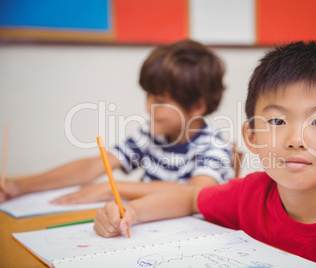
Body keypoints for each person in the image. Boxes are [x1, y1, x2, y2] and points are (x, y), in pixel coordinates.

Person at [94, 41, 316, 268]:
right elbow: (189, 198)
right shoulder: (250, 194)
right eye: (277, 121)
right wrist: (131, 212)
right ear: (252, 137)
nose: (295, 139)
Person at [0, 40, 235, 204]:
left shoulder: (213, 147)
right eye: (148, 96)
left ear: (197, 106)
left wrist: (111, 188)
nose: (147, 108)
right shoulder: (152, 136)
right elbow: (94, 165)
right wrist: (20, 186)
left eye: (160, 101)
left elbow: (196, 191)